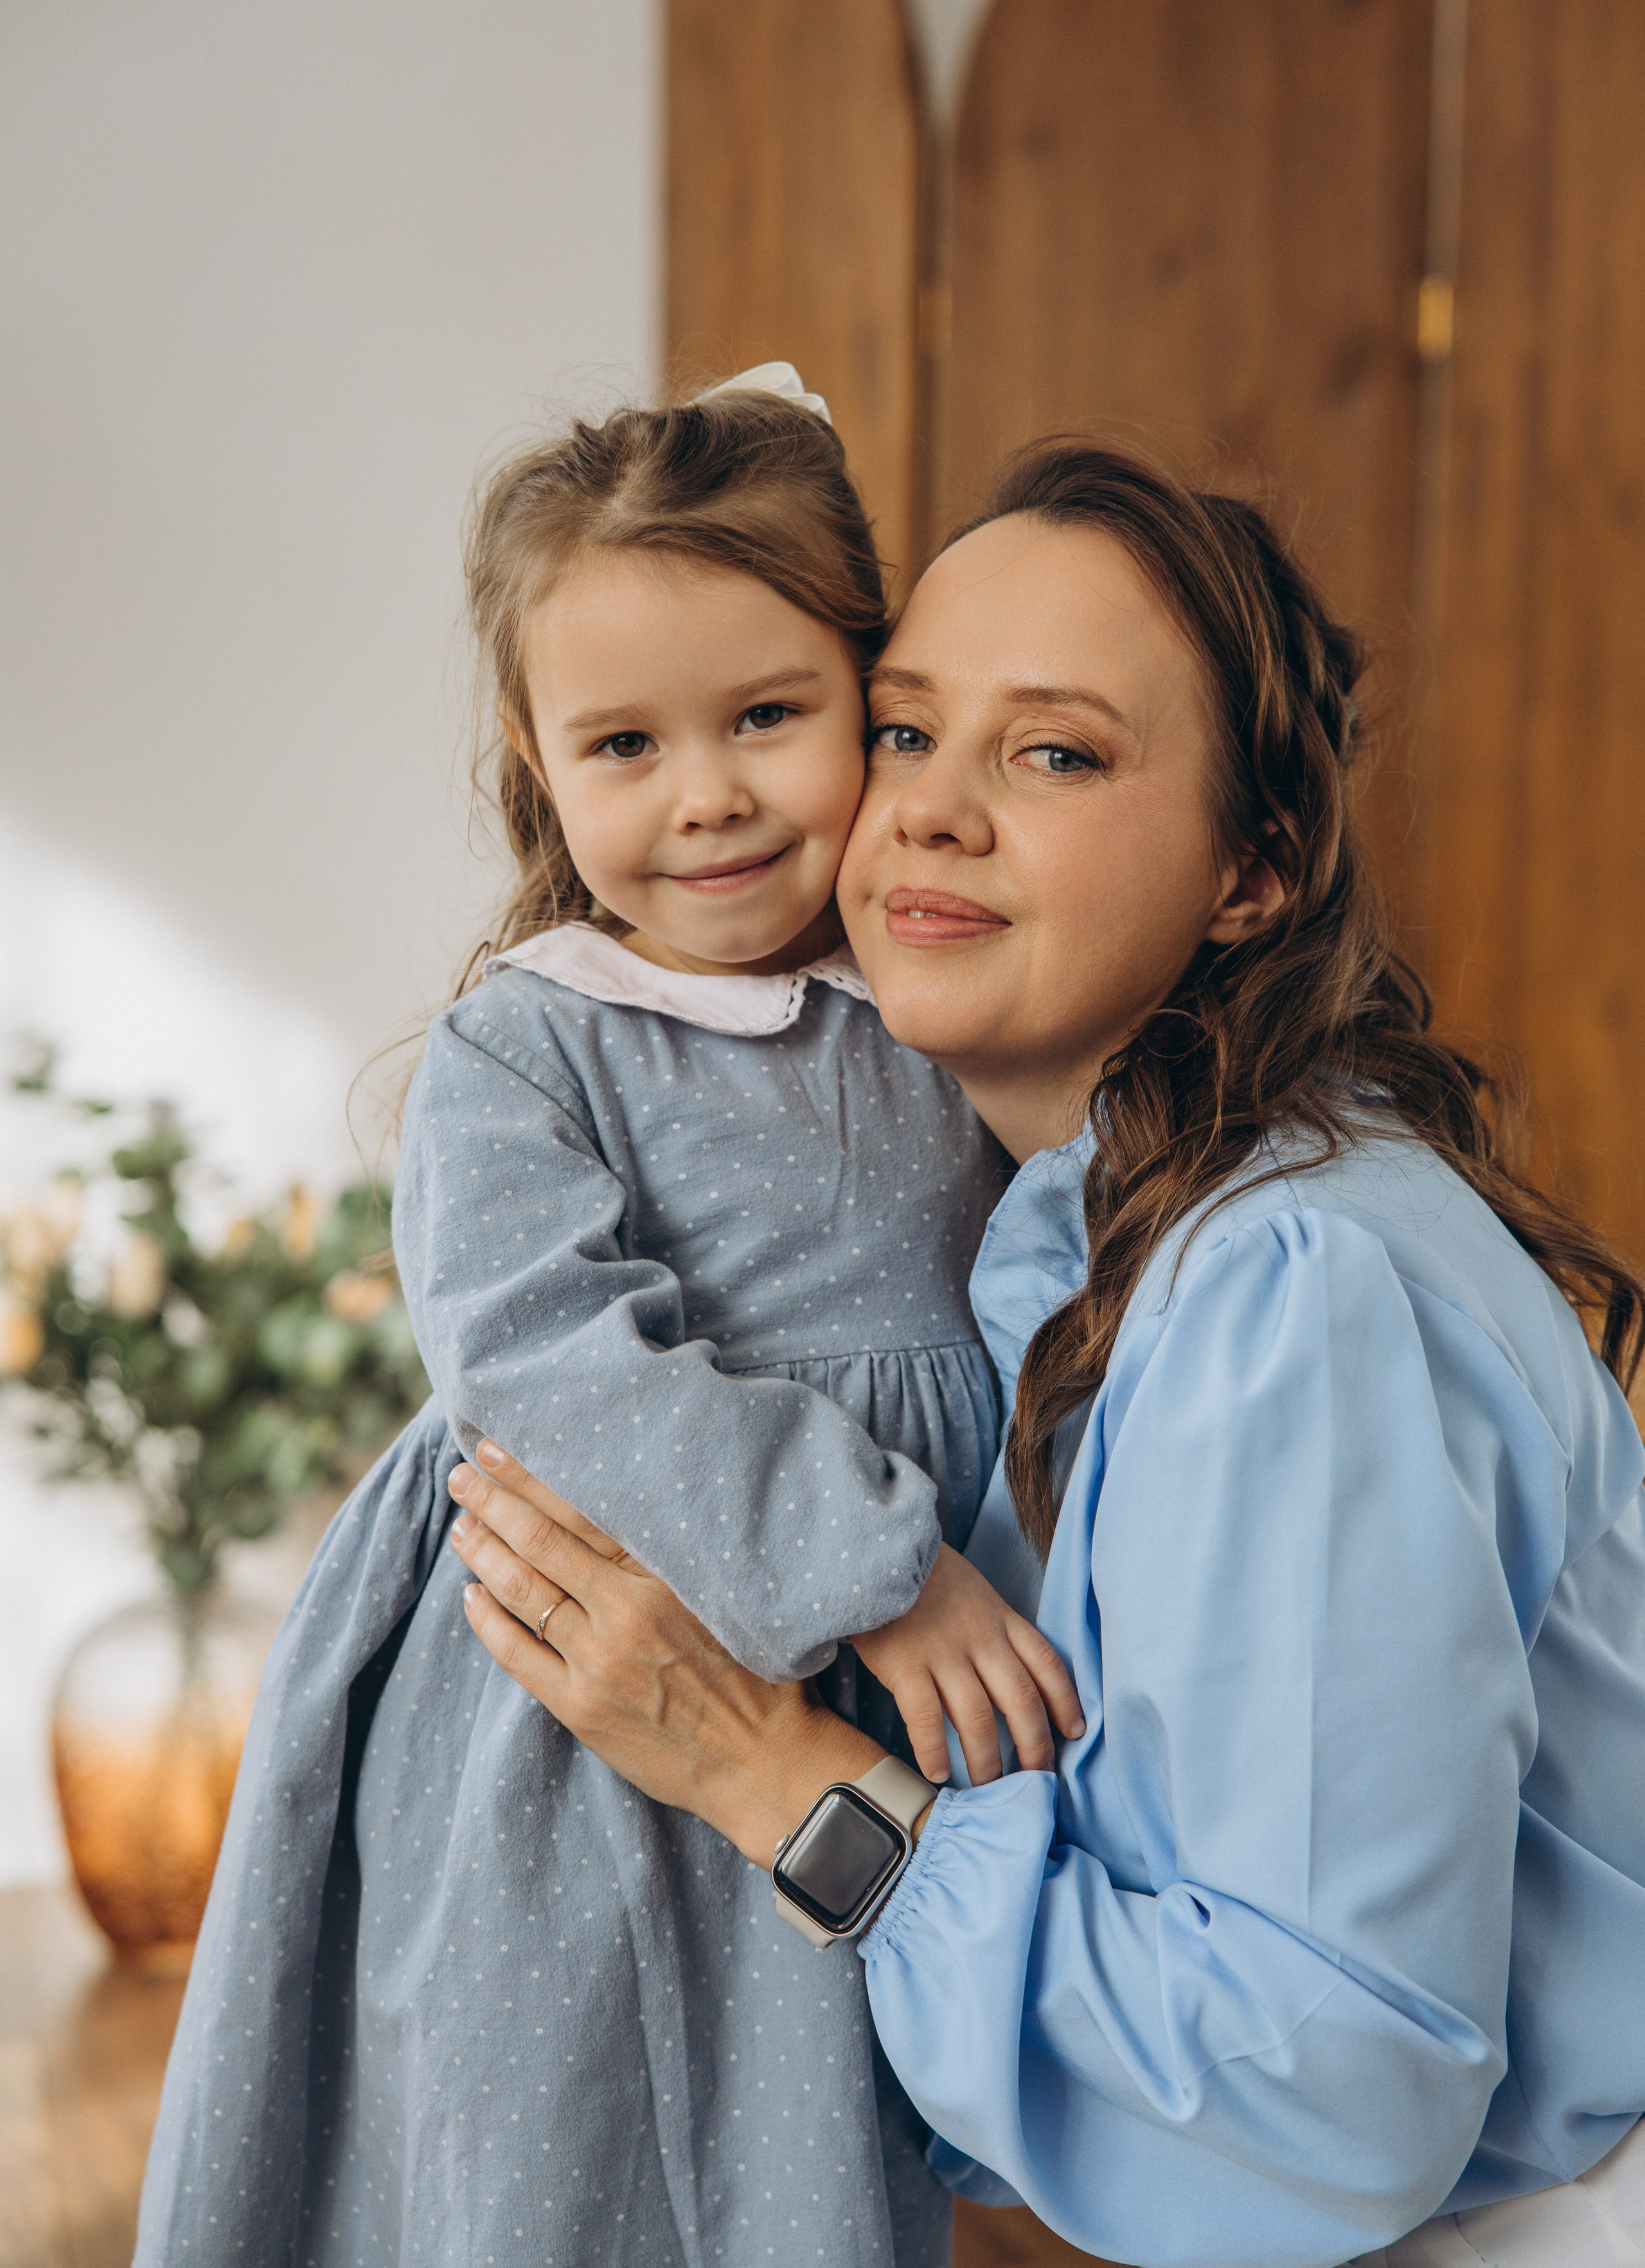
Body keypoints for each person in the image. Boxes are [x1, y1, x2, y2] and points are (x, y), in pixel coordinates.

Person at [448, 441, 1645, 2268]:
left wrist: (763, 1772)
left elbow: (1315, 2104)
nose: (927, 811)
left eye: (1058, 751)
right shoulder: (1069, 1241)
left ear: (1255, 870)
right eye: (908, 732)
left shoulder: (1293, 1292)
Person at [133, 372, 1081, 2268]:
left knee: (805, 2159)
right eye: (626, 743)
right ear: (536, 755)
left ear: (870, 696)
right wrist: (876, 1565)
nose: (707, 792)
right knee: (550, 2147)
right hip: (564, 1690)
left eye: (768, 716)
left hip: (849, 1710)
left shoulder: (936, 994)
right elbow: (544, 1356)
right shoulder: (531, 1042)